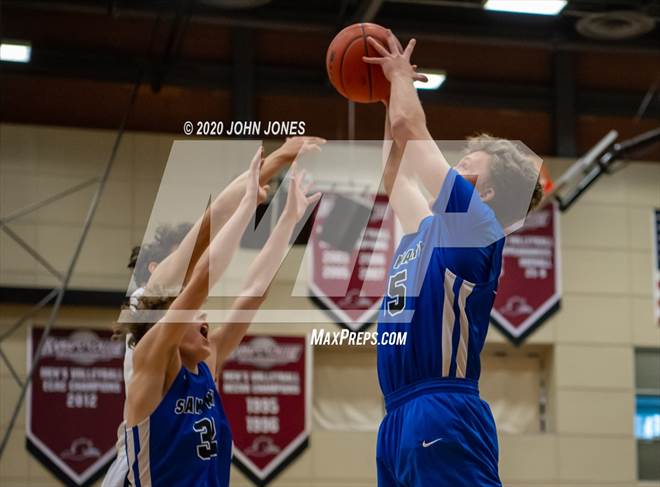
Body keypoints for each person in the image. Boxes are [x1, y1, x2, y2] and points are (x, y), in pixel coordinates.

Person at [363, 31, 543, 486]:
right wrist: (387, 95)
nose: (454, 168)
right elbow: (395, 174)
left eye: (465, 166)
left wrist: (400, 79)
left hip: (443, 408)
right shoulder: (432, 230)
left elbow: (410, 128)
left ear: (487, 191)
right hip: (399, 414)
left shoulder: (476, 224)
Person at [103, 136, 324, 487]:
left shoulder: (204, 359)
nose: (204, 315)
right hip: (136, 461)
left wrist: (288, 219)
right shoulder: (149, 314)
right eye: (196, 310)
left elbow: (251, 293)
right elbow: (205, 259)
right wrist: (252, 196)